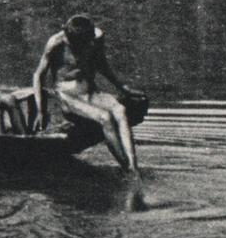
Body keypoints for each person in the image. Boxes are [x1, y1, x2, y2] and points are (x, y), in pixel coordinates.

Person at [32, 13, 144, 173]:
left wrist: (122, 87)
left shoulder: (95, 36)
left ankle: (133, 167)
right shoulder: (55, 43)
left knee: (120, 110)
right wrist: (41, 110)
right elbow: (38, 75)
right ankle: (127, 169)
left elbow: (102, 65)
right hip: (68, 96)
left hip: (90, 92)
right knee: (105, 118)